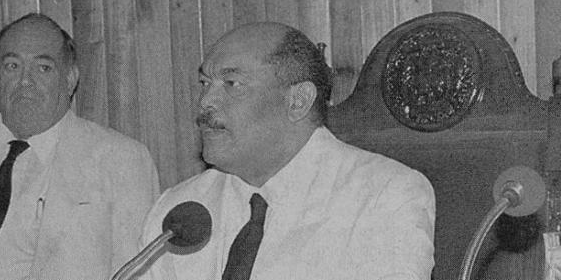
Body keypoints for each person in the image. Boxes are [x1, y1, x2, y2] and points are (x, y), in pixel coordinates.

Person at [138, 22, 435, 280]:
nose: (205, 102)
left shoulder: (383, 195)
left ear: (298, 101)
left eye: (231, 84)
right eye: (204, 83)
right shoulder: (178, 213)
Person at [0, 13, 160, 280]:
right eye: (12, 66)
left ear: (71, 79)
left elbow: (138, 273)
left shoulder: (120, 161)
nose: (25, 81)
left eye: (43, 68)